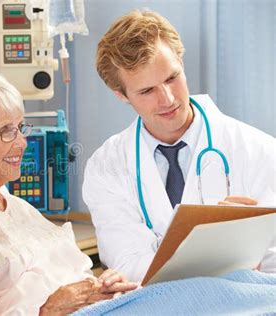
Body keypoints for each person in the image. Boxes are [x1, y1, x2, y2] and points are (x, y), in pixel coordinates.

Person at [82, 9, 276, 283]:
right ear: (121, 95)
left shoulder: (260, 150)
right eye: (147, 91)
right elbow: (127, 264)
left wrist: (237, 248)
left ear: (181, 63)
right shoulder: (106, 166)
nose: (168, 99)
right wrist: (218, 247)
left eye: (172, 78)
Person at [0, 69, 138, 315]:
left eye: (20, 128)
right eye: (7, 131)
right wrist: (45, 310)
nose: (22, 143)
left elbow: (75, 273)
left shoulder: (18, 208)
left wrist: (102, 285)